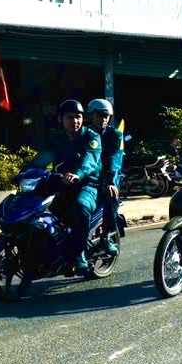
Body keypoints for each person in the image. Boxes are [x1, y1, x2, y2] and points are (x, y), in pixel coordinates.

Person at [28, 100, 102, 274]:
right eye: (70, 117)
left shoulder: (91, 137)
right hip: (61, 182)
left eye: (78, 117)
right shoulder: (57, 138)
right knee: (37, 208)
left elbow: (90, 160)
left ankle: (79, 255)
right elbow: (43, 158)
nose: (75, 121)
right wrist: (23, 173)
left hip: (87, 184)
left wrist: (78, 174)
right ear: (61, 119)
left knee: (81, 208)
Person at [85, 99, 124, 257]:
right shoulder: (84, 133)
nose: (103, 119)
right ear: (91, 115)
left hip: (107, 177)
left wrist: (110, 182)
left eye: (106, 116)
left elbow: (115, 160)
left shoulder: (114, 135)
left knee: (111, 194)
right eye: (99, 115)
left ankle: (106, 236)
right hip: (86, 175)